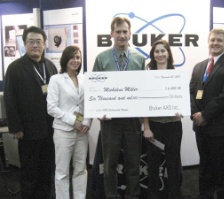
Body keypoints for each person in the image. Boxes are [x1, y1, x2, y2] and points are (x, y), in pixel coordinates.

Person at [92, 17, 145, 199]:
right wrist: (99, 113)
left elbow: (143, 90)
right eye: (118, 32)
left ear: (130, 34)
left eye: (125, 32)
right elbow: (95, 90)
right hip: (110, 122)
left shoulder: (139, 59)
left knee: (133, 163)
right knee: (109, 165)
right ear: (111, 34)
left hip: (132, 122)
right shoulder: (102, 58)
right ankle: (112, 196)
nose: (122, 35)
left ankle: (133, 195)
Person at [4, 26, 57, 199]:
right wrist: (15, 128)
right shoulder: (15, 68)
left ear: (44, 44)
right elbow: (10, 100)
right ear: (24, 44)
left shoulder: (50, 66)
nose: (35, 45)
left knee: (46, 169)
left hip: (49, 129)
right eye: (31, 42)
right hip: (27, 131)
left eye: (39, 42)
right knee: (29, 170)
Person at [190, 28, 224, 199]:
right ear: (208, 42)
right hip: (201, 128)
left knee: (222, 170)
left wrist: (204, 115)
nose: (215, 43)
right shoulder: (199, 67)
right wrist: (195, 114)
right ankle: (204, 195)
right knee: (204, 167)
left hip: (221, 129)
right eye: (212, 40)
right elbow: (191, 93)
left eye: (219, 40)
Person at [47, 45, 91, 199]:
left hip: (82, 131)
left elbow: (89, 104)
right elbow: (51, 108)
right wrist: (74, 121)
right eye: (72, 57)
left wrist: (86, 122)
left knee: (81, 169)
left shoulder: (84, 79)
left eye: (78, 57)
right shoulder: (56, 79)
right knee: (62, 172)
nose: (75, 60)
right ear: (65, 59)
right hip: (63, 131)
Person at [143, 40, 183, 199]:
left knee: (173, 164)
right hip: (154, 125)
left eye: (163, 51)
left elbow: (183, 100)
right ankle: (153, 196)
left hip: (173, 125)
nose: (160, 54)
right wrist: (146, 127)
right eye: (156, 51)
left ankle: (173, 195)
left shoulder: (177, 74)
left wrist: (181, 108)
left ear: (168, 53)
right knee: (152, 165)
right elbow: (143, 103)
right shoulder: (147, 75)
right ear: (153, 55)